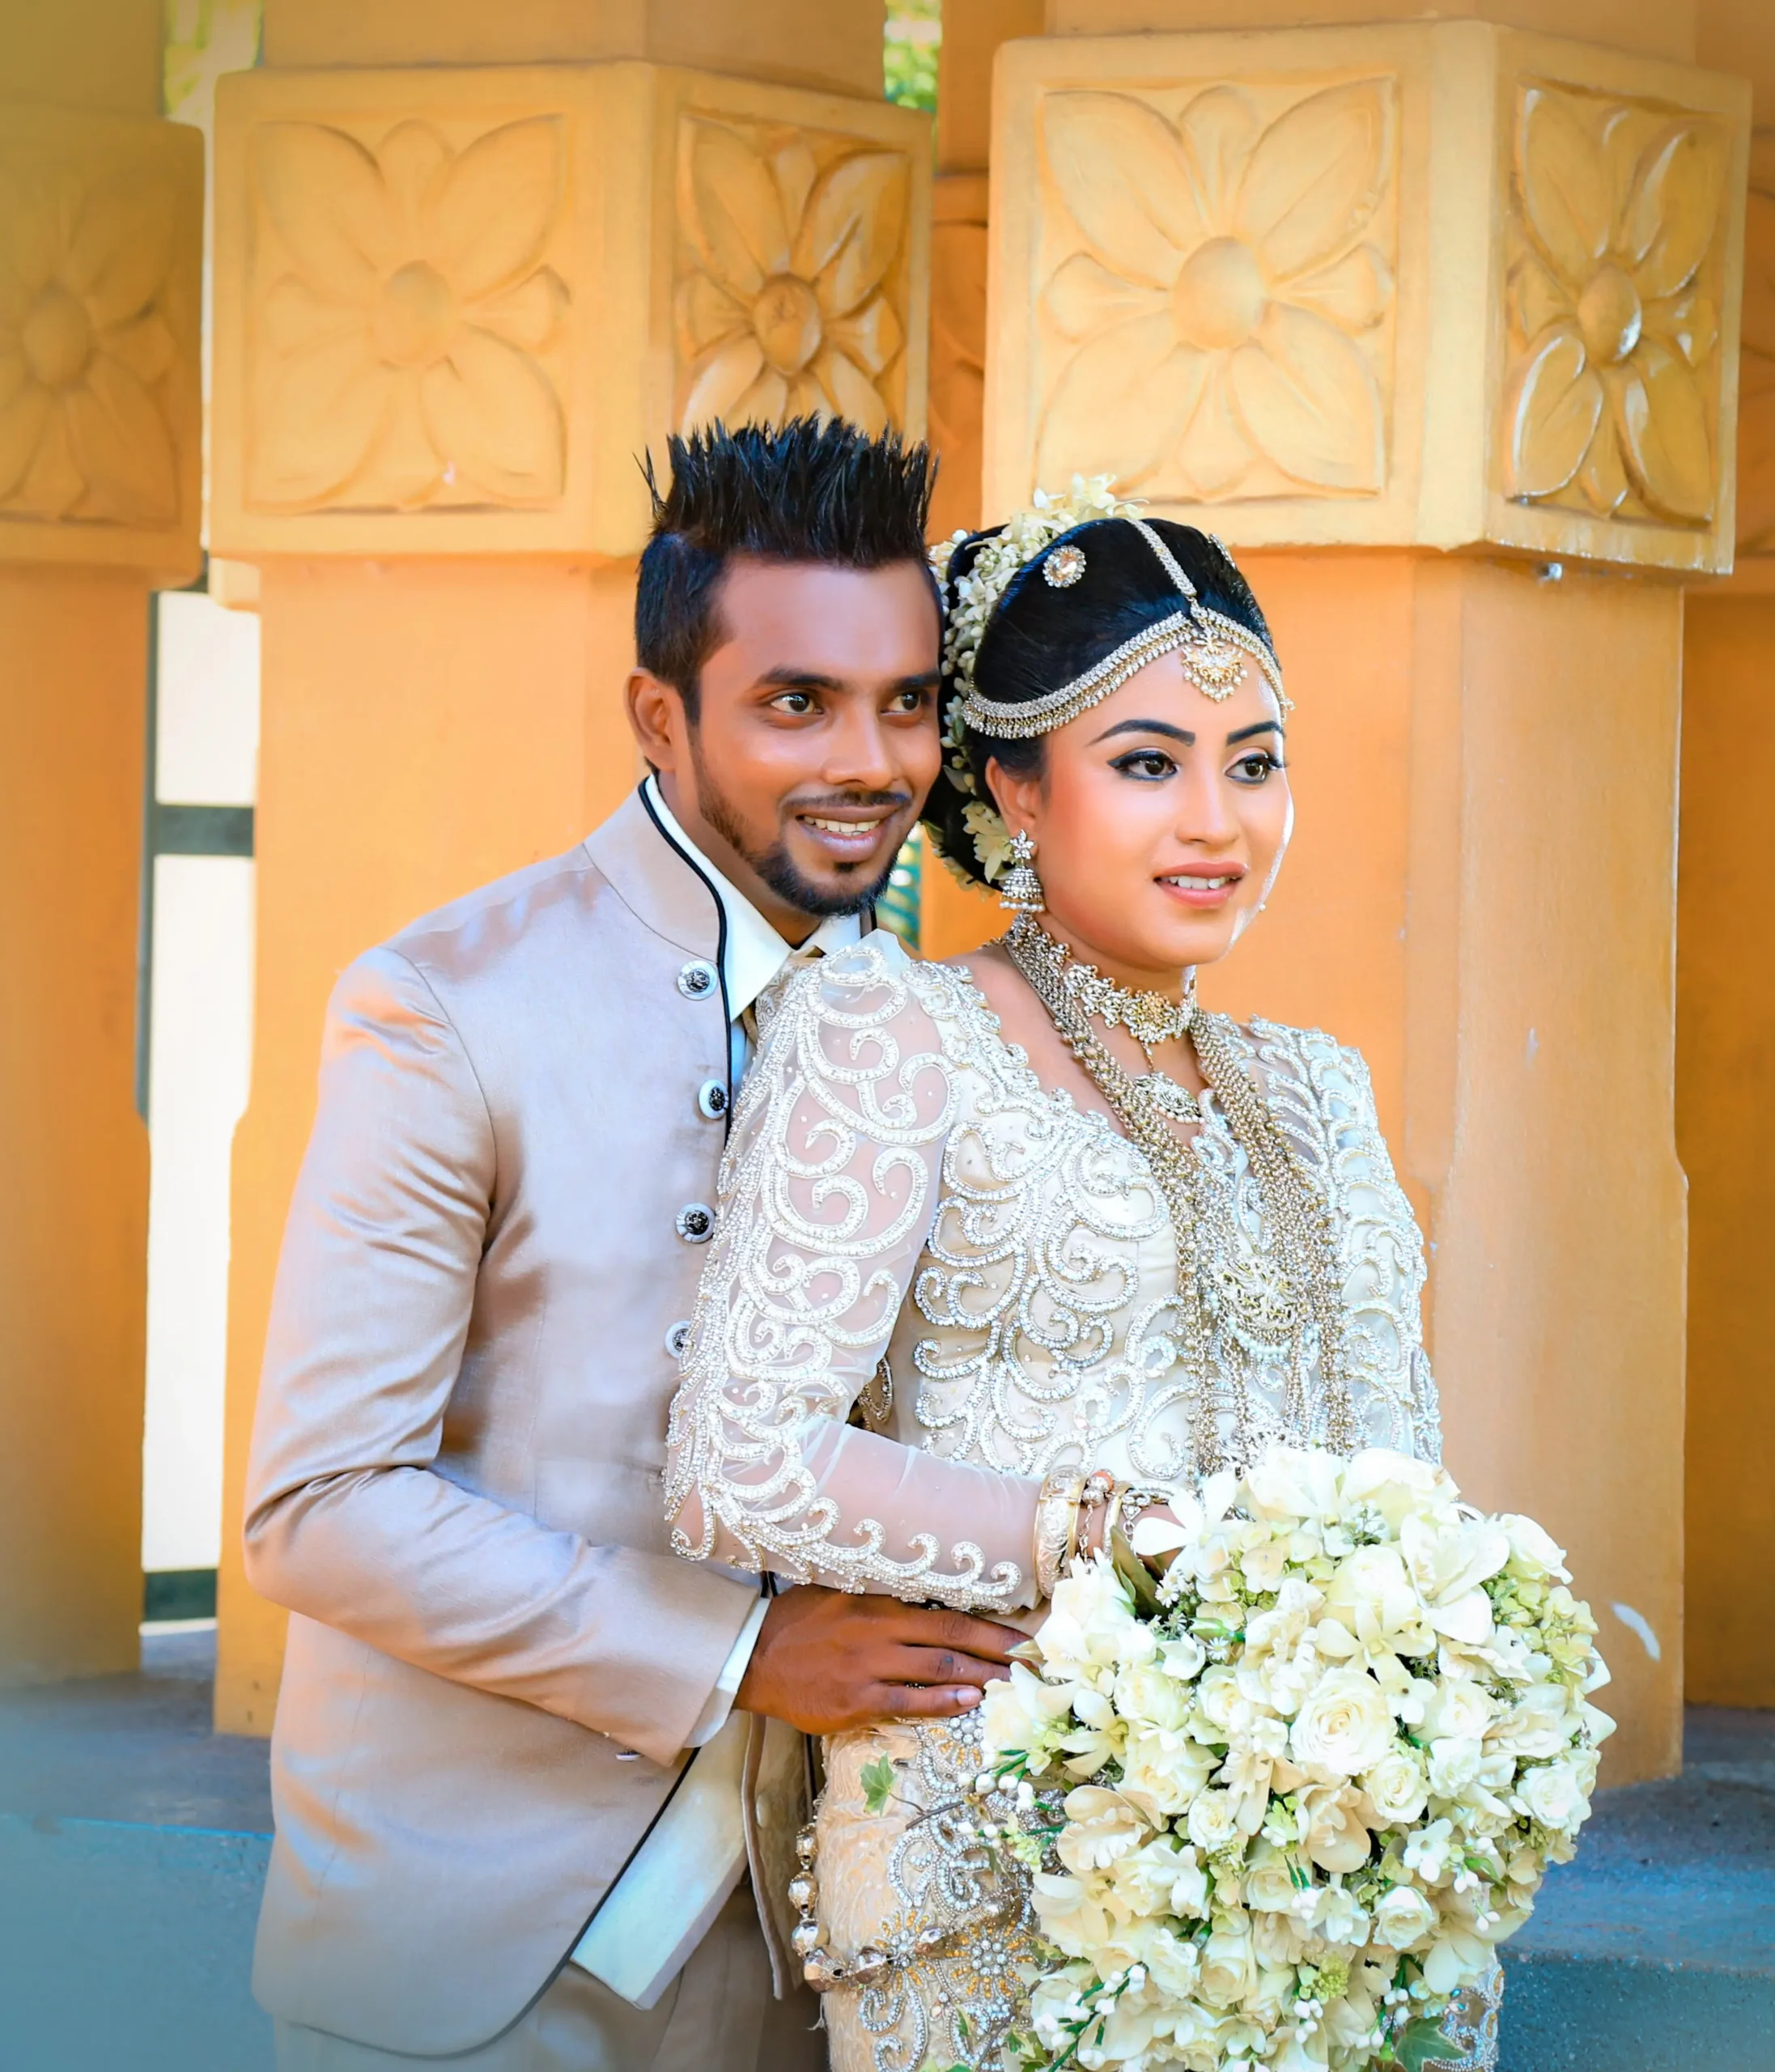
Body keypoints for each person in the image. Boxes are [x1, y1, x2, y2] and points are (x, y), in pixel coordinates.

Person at [664, 481, 1495, 2072]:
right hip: (1005, 1871)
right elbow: (736, 1464)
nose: (1216, 819)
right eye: (1144, 764)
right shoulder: (892, 1040)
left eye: (1254, 766)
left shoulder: (1317, 1088)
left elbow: (1403, 1476)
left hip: (1332, 1854)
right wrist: (1097, 1532)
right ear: (1014, 789)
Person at [243, 418, 1030, 2072]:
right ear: (659, 714)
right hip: (485, 1958)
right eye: (796, 701)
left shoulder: (953, 1030)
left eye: (905, 701)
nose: (871, 760)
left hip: (842, 1953)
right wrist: (741, 1648)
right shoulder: (447, 1004)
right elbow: (319, 1506)